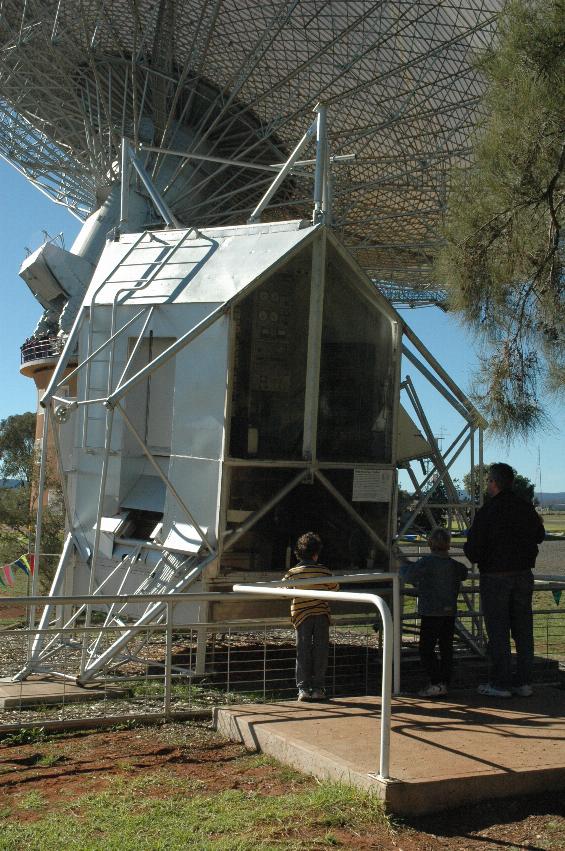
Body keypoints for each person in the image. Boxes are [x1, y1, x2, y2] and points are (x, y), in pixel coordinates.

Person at [464, 462, 545, 698]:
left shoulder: (488, 512)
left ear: (494, 483)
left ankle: (500, 683)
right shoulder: (525, 508)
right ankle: (523, 682)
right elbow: (539, 535)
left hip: (495, 577)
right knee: (523, 629)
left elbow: (474, 550)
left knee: (498, 631)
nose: (487, 484)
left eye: (489, 480)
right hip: (523, 575)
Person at [401, 527, 468, 697]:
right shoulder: (454, 565)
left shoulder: (426, 563)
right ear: (448, 545)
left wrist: (403, 566)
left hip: (431, 612)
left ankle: (436, 681)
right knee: (446, 648)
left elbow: (408, 576)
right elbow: (464, 572)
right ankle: (444, 682)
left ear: (430, 543)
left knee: (426, 649)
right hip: (449, 612)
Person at [283, 532, 338, 702]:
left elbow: (285, 592)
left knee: (303, 651)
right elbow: (334, 589)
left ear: (298, 553)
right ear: (316, 553)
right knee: (321, 651)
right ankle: (318, 688)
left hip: (301, 616)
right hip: (321, 614)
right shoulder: (324, 571)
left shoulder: (293, 573)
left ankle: (303, 689)